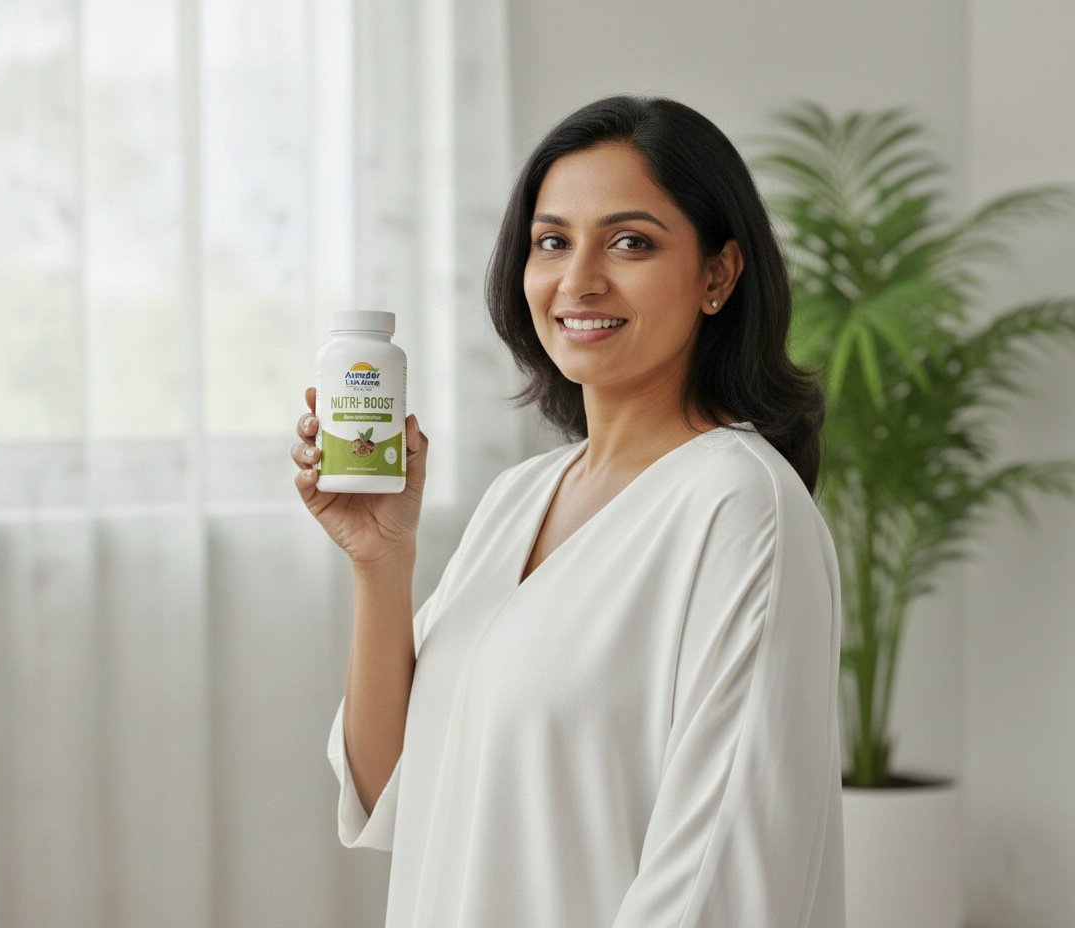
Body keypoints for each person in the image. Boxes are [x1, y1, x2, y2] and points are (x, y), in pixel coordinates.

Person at [292, 95, 845, 928]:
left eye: (630, 242)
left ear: (718, 275)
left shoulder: (739, 508)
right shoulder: (520, 497)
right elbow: (389, 795)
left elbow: (716, 877)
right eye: (552, 241)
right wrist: (381, 564)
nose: (579, 279)